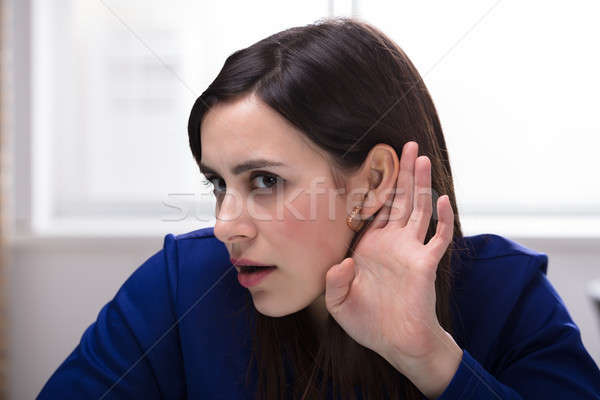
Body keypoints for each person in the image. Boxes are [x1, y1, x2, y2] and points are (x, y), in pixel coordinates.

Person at [38, 17, 600, 400]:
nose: (224, 225)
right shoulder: (180, 285)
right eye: (217, 183)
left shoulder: (506, 293)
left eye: (263, 180)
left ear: (373, 181)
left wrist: (428, 357)